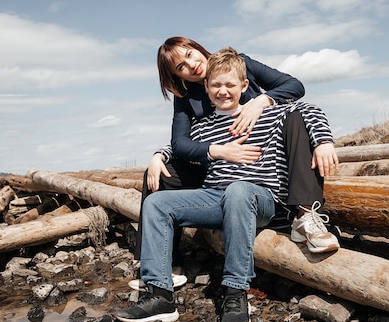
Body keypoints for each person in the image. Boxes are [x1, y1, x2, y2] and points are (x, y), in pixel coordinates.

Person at [116, 48, 339, 322]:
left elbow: (308, 109)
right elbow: (178, 147)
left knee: (238, 191)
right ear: (206, 89)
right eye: (216, 86)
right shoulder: (204, 126)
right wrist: (158, 156)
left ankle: (235, 293)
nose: (223, 91)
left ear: (244, 86)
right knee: (158, 202)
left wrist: (323, 142)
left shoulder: (268, 113)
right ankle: (160, 295)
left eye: (230, 85)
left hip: (259, 197)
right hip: (216, 197)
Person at [133, 36, 337, 269]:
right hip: (218, 168)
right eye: (181, 67)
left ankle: (304, 213)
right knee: (158, 173)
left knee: (295, 121)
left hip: (262, 163)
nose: (191, 66)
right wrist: (161, 154)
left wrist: (263, 100)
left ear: (197, 48)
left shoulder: (242, 64)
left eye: (189, 55)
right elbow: (181, 141)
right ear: (178, 76)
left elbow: (295, 87)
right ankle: (160, 263)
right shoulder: (186, 96)